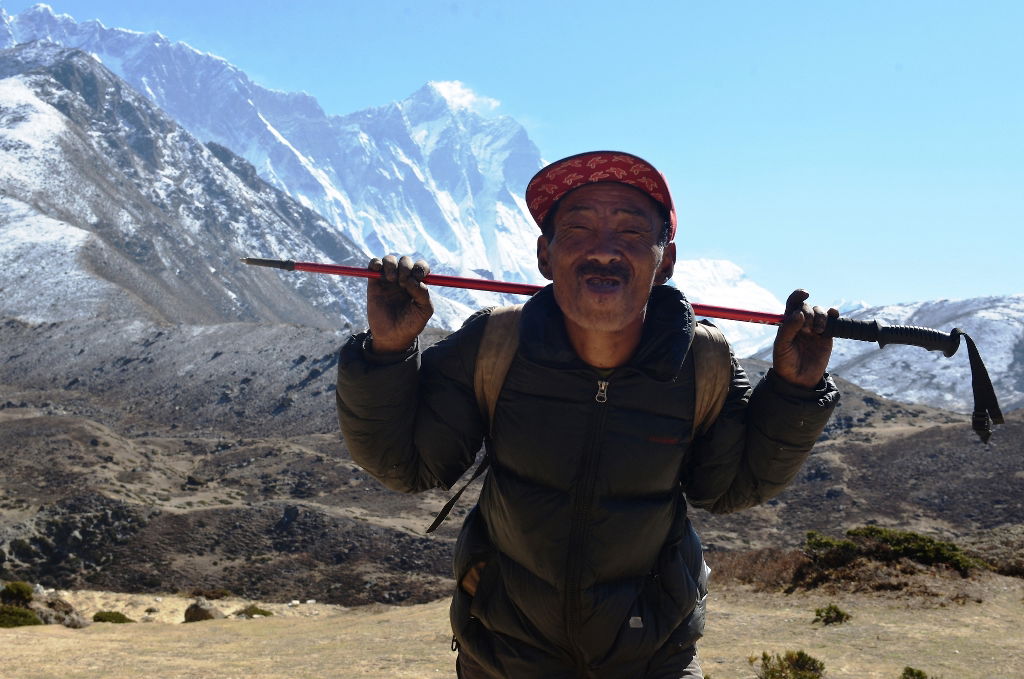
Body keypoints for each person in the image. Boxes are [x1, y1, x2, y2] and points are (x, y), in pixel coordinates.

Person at [336, 151, 839, 678]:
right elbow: (406, 465)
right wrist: (388, 351)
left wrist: (794, 390)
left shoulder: (703, 363)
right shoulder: (493, 344)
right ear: (544, 256)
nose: (603, 249)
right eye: (577, 229)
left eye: (629, 230)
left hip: (654, 658)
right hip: (503, 656)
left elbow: (732, 488)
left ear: (664, 261)